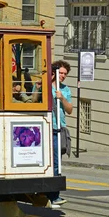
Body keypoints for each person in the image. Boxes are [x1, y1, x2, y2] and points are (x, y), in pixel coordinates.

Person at [33, 60, 73, 207]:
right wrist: (39, 88)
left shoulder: (65, 89)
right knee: (46, 161)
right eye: (60, 73)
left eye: (65, 74)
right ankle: (47, 194)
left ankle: (52, 194)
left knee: (57, 161)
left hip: (59, 128)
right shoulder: (45, 85)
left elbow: (69, 110)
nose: (62, 76)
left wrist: (61, 98)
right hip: (45, 127)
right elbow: (34, 100)